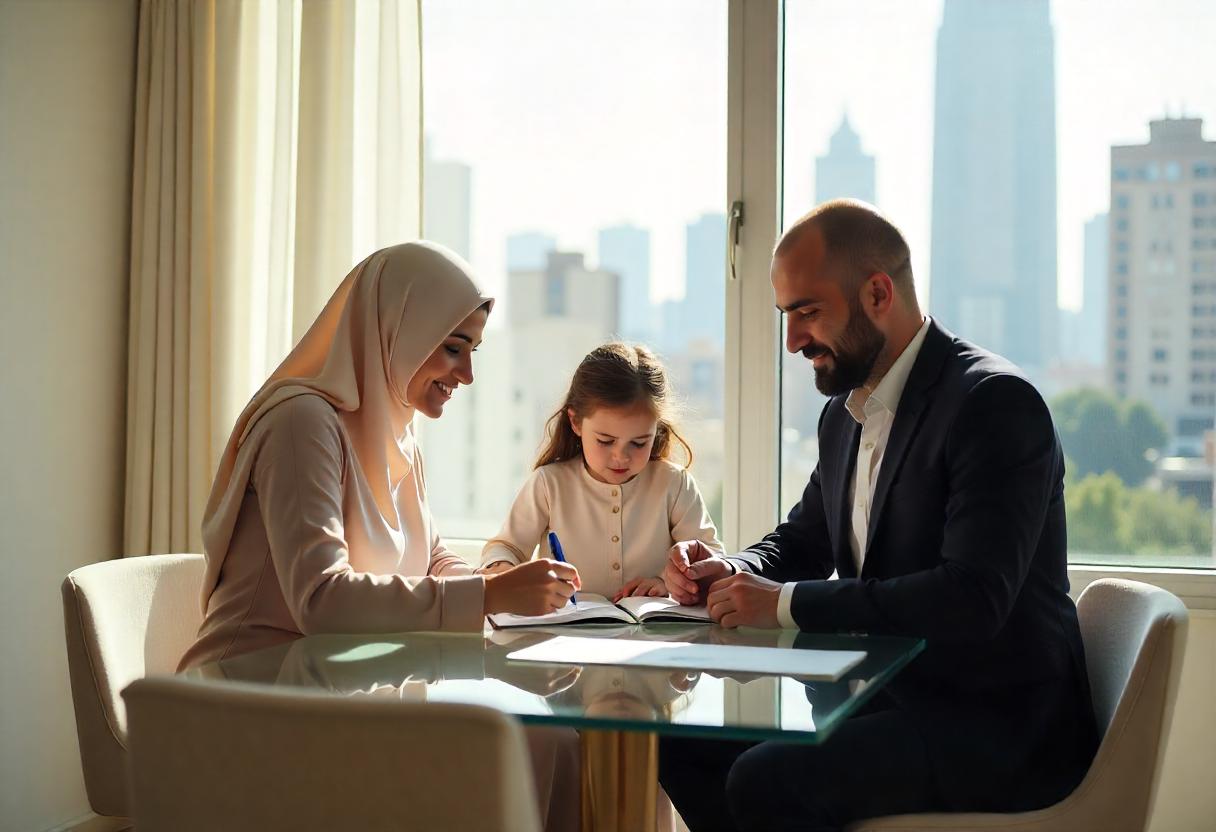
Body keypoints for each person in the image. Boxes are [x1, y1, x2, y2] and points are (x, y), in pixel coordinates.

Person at [659, 201, 1099, 832]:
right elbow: (804, 540)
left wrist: (784, 605)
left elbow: (973, 597)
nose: (792, 341)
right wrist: (727, 572)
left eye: (807, 312)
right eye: (786, 316)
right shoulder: (845, 414)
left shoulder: (994, 404)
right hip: (885, 701)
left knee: (765, 780)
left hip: (997, 728)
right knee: (673, 740)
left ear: (877, 293)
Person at [177, 242, 581, 831]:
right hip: (258, 698)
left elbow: (430, 554)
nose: (466, 375)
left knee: (555, 740)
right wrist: (490, 599)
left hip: (350, 688)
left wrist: (494, 583)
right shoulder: (301, 423)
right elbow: (320, 598)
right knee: (519, 746)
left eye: (472, 352)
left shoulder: (394, 430)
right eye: (453, 348)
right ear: (398, 329)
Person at [479, 342, 723, 601]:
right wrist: (504, 571)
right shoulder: (549, 484)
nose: (621, 456)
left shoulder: (674, 484)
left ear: (656, 430)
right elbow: (505, 548)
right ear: (575, 422)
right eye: (605, 441)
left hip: (647, 637)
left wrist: (667, 582)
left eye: (639, 442)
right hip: (564, 634)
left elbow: (710, 559)